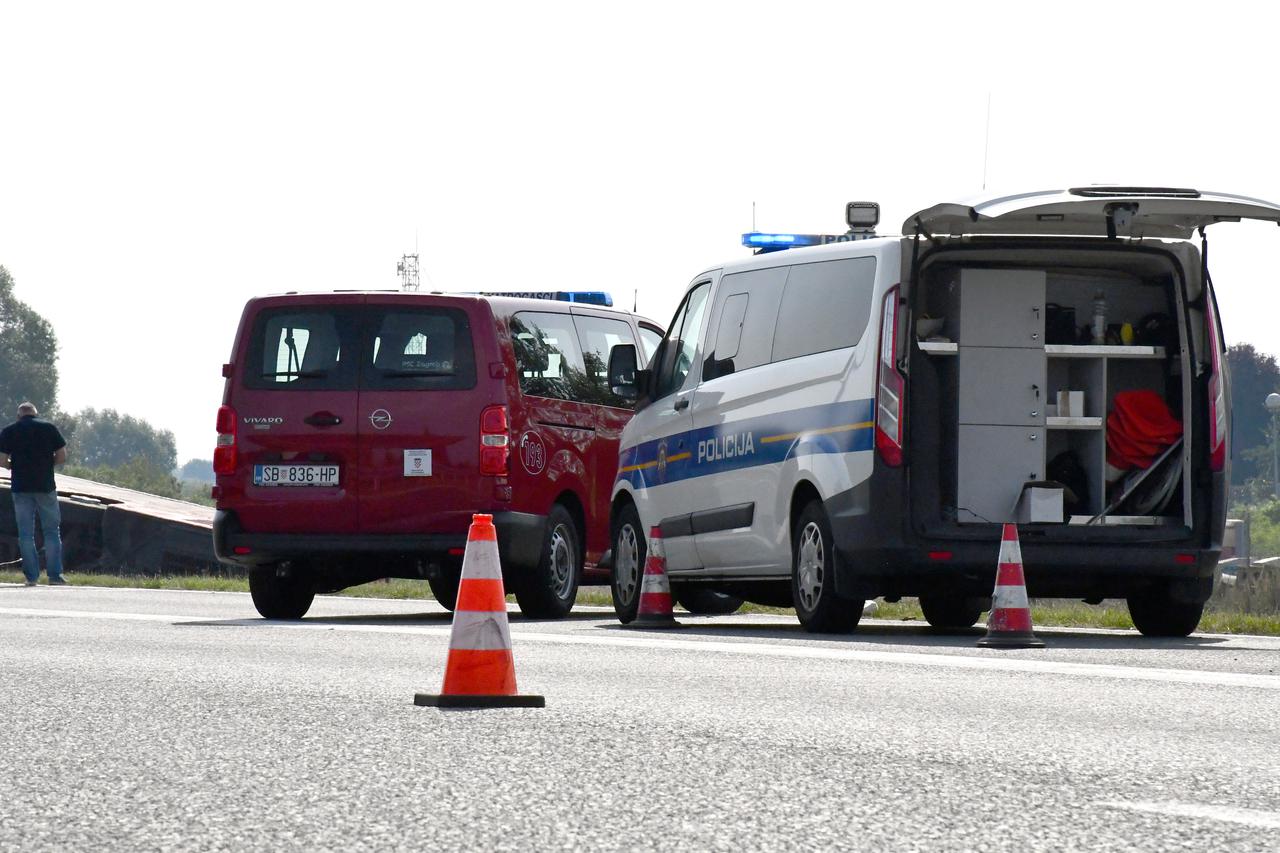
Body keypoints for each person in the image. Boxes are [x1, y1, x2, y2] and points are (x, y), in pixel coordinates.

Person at [0, 402, 68, 586]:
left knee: (25, 534)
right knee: (52, 532)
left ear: (18, 416)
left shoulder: (9, 431)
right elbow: (62, 455)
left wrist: (13, 466)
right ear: (36, 414)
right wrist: (47, 465)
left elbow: (2, 460)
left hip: (21, 487)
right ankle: (55, 576)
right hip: (46, 486)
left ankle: (31, 577)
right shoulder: (48, 428)